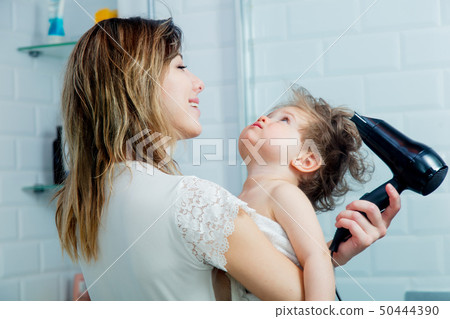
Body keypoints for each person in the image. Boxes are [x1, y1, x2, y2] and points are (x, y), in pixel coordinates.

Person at [54, 17, 401, 301]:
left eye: (284, 120)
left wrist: (327, 256)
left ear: (307, 159)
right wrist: (331, 259)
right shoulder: (194, 203)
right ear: (135, 83)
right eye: (181, 66)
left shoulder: (85, 203)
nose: (199, 83)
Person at [227, 87, 377, 300]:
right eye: (270, 115)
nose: (263, 118)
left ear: (306, 159)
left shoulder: (283, 193)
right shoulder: (239, 199)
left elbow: (317, 257)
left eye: (284, 120)